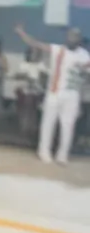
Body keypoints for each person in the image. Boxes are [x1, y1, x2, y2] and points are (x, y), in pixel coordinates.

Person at [15, 25, 90, 164]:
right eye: (70, 35)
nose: (72, 38)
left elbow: (87, 73)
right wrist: (22, 33)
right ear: (67, 37)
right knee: (48, 123)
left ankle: (62, 155)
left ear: (79, 39)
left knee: (67, 126)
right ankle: (44, 152)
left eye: (75, 36)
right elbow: (35, 43)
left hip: (72, 95)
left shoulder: (84, 54)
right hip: (54, 93)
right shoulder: (58, 50)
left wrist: (83, 76)